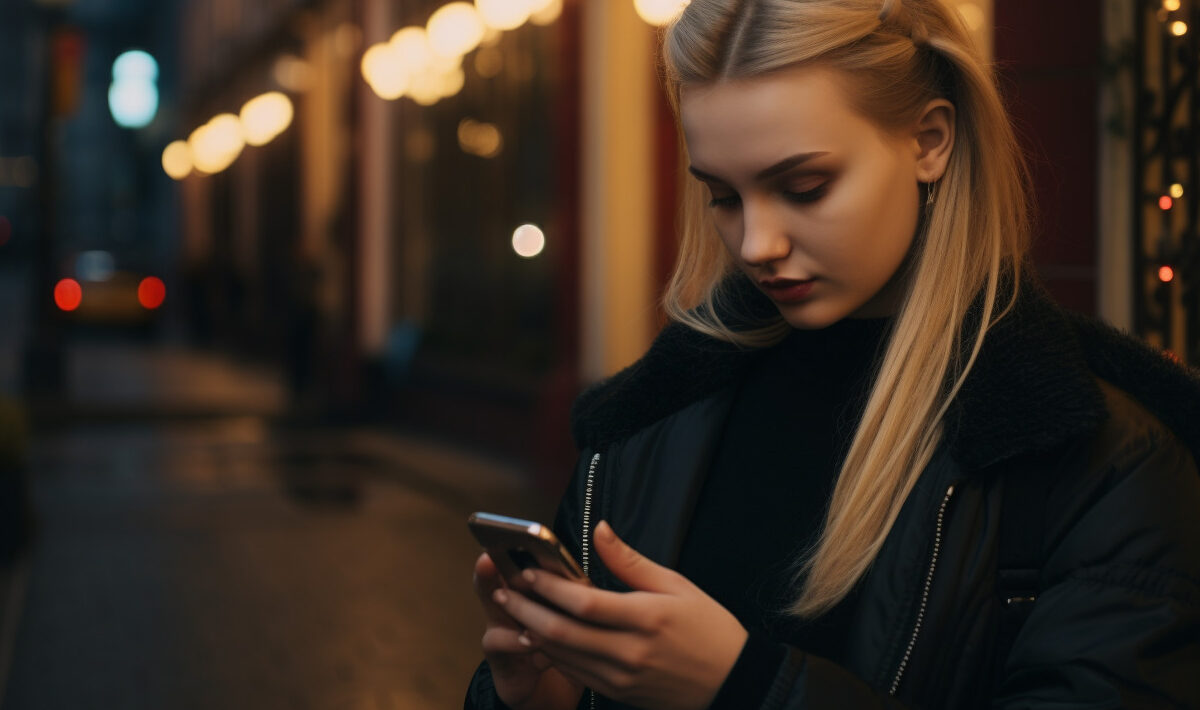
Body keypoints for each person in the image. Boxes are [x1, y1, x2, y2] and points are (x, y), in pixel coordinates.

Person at [465, 0, 1200, 708]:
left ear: (930, 141)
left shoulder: (1096, 454)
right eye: (724, 196)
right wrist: (540, 697)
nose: (757, 245)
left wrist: (745, 687)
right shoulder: (650, 418)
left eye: (805, 187)